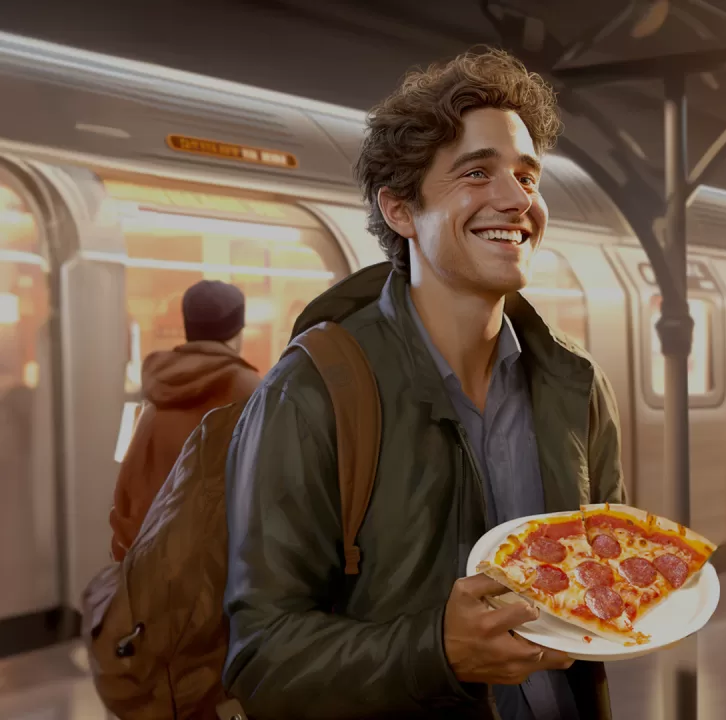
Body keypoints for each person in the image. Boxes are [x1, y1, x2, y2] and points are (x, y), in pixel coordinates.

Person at [222, 49, 626, 719]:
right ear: (400, 210)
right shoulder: (314, 391)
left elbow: (603, 567)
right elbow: (260, 659)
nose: (517, 199)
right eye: (477, 172)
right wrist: (435, 651)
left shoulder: (575, 384)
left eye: (527, 175)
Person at [108, 279, 259, 562]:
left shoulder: (156, 392)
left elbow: (126, 488)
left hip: (153, 564)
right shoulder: (252, 394)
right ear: (237, 331)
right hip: (220, 571)